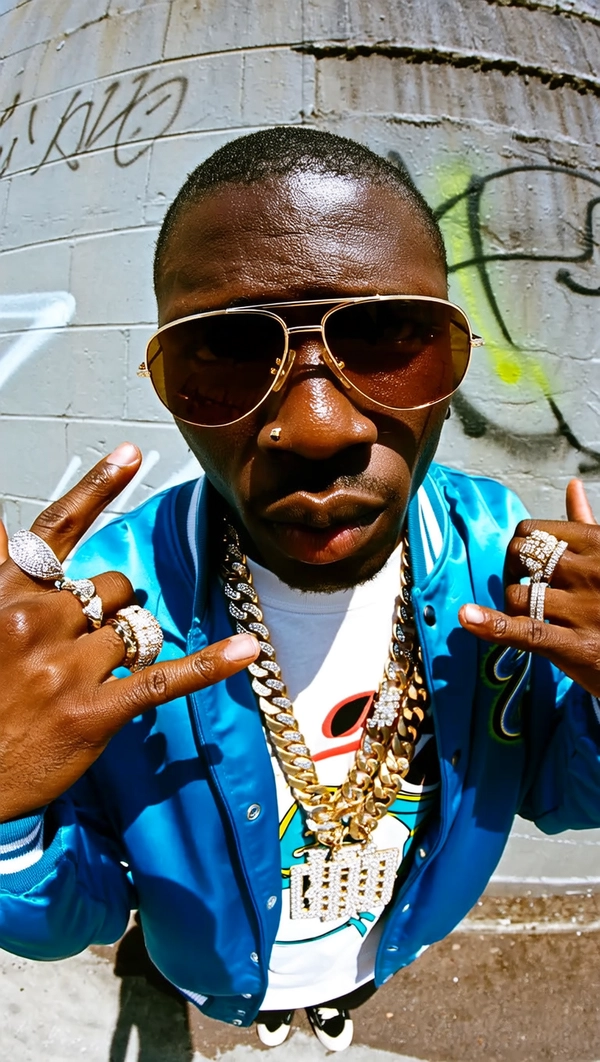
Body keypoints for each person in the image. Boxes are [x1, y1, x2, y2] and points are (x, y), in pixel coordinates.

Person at [1, 127, 600, 1054]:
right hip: (208, 968)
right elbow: (72, 914)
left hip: (392, 941)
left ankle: (326, 1001)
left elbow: (564, 794)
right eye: (226, 350)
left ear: (456, 359)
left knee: (341, 991)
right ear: (164, 383)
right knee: (251, 1001)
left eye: (391, 338)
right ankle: (267, 1007)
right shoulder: (102, 619)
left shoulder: (505, 562)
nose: (318, 427)